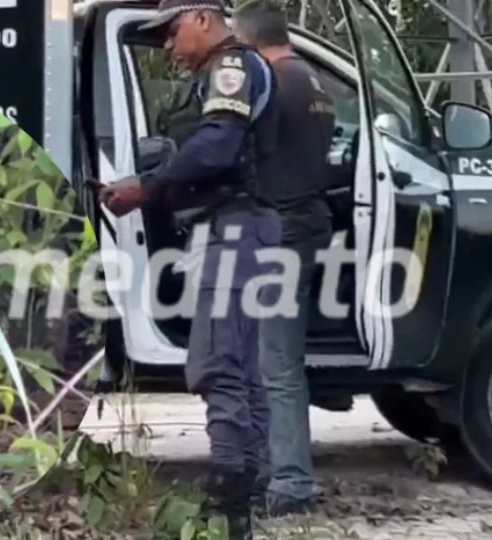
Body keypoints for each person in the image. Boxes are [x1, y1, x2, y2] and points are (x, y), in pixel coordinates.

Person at [96, 0, 282, 537]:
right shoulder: (216, 74)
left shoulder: (232, 67)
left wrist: (146, 187)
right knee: (240, 369)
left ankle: (228, 509)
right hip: (238, 229)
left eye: (173, 32)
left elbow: (217, 147)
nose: (169, 46)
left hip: (239, 229)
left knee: (217, 364)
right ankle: (243, 502)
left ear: (202, 18)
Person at [233, 0, 336, 517]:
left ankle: (292, 485)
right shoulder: (314, 83)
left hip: (284, 231)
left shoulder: (272, 85)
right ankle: (273, 470)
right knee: (268, 357)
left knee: (276, 361)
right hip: (306, 222)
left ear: (250, 41)